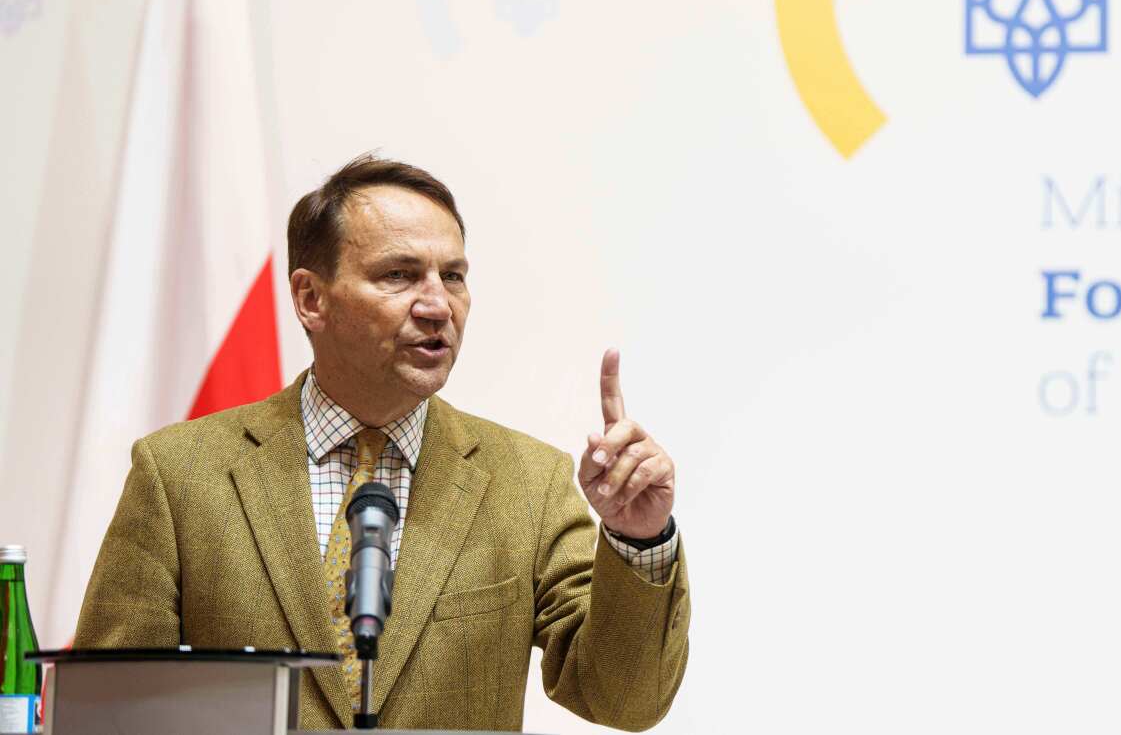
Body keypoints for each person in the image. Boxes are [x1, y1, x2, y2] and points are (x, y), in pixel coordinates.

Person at [73, 155, 689, 731]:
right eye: (399, 275)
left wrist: (638, 539)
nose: (438, 305)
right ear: (311, 299)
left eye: (453, 276)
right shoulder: (179, 474)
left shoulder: (528, 482)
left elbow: (622, 699)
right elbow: (108, 710)